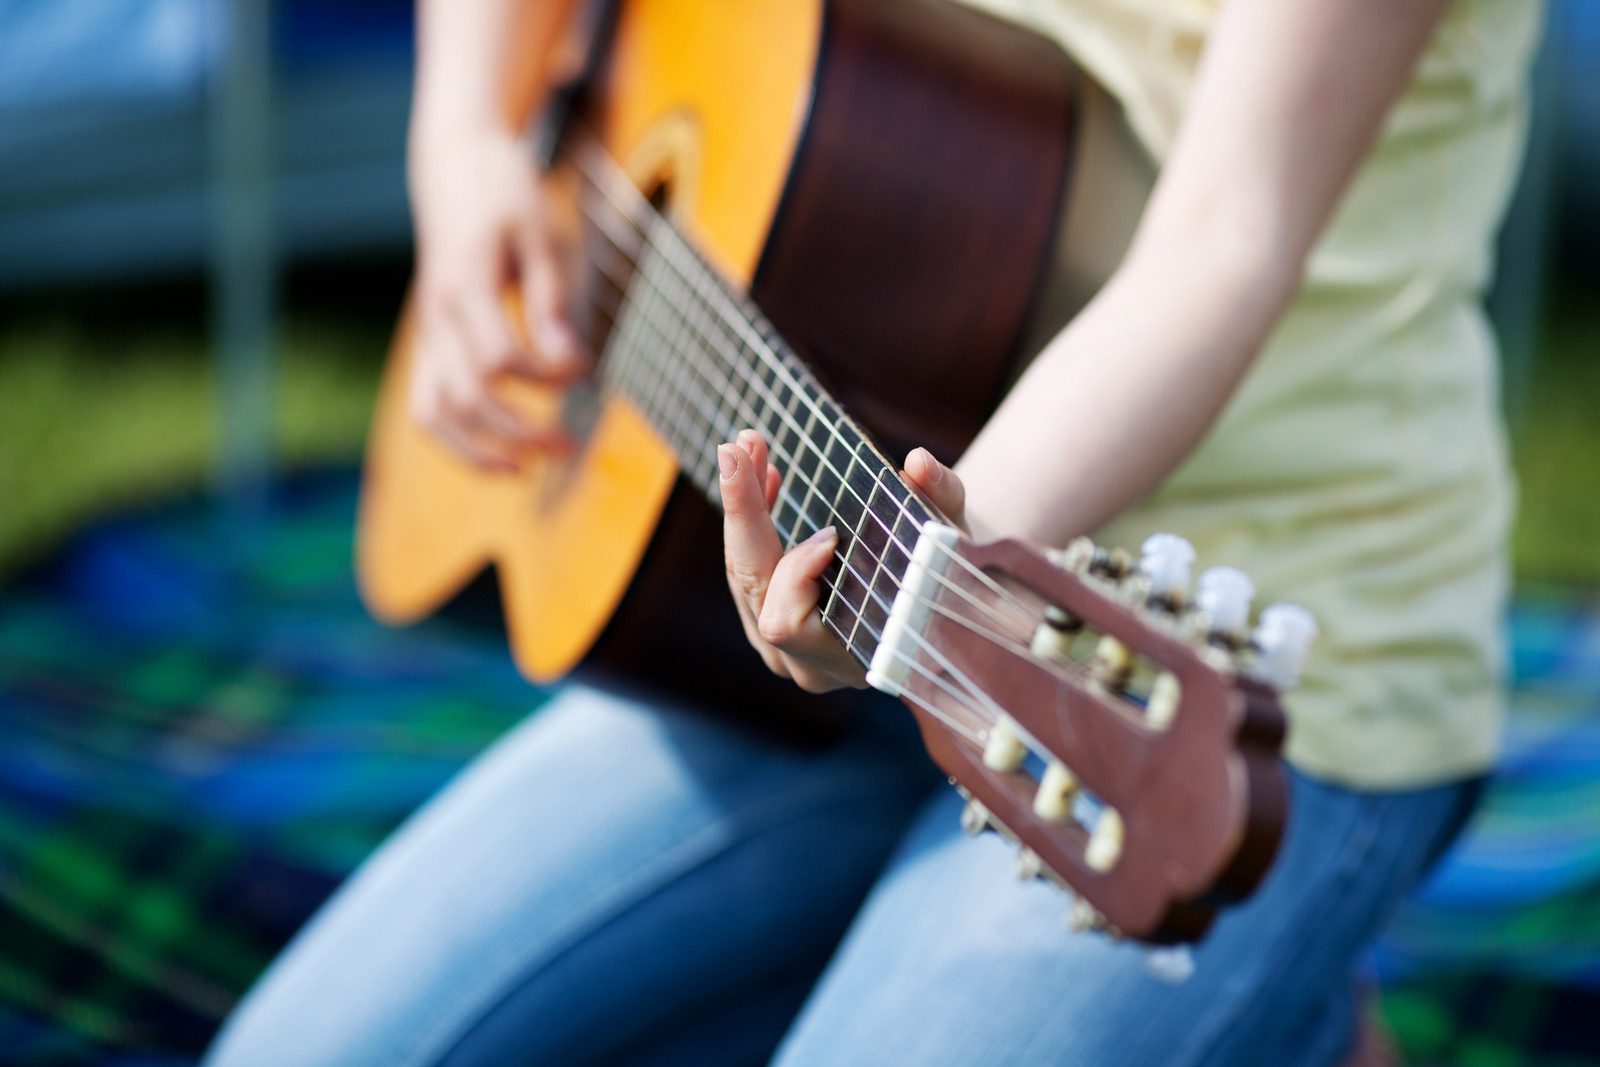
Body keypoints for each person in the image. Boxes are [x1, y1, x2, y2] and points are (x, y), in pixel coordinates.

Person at [205, 0, 1543, 1063]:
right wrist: (467, 145)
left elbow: (1225, 237)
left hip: (1213, 679)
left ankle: (1275, 999)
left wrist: (921, 571)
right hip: (826, 540)